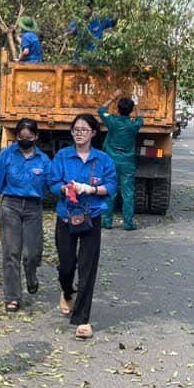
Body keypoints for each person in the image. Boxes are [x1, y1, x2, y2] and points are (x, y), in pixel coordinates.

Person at [48, 114, 117, 340]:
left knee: (88, 268)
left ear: (93, 133)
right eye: (76, 129)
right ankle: (67, 290)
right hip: (66, 216)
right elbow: (52, 182)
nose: (79, 133)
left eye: (84, 129)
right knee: (67, 265)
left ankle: (83, 319)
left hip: (91, 217)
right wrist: (65, 189)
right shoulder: (63, 156)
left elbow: (111, 185)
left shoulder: (103, 159)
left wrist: (91, 190)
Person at [0, 117, 51, 311]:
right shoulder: (7, 156)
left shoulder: (43, 160)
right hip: (10, 205)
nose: (24, 139)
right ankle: (12, 296)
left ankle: (31, 274)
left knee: (32, 253)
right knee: (11, 252)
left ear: (36, 137)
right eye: (21, 136)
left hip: (33, 207)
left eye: (29, 136)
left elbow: (53, 183)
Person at [97, 90, 143, 232]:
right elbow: (140, 118)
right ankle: (128, 223)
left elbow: (100, 110)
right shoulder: (134, 125)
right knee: (128, 193)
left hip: (111, 160)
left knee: (110, 190)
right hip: (127, 162)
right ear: (130, 111)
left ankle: (107, 221)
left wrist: (113, 97)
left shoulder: (112, 121)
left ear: (117, 109)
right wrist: (135, 105)